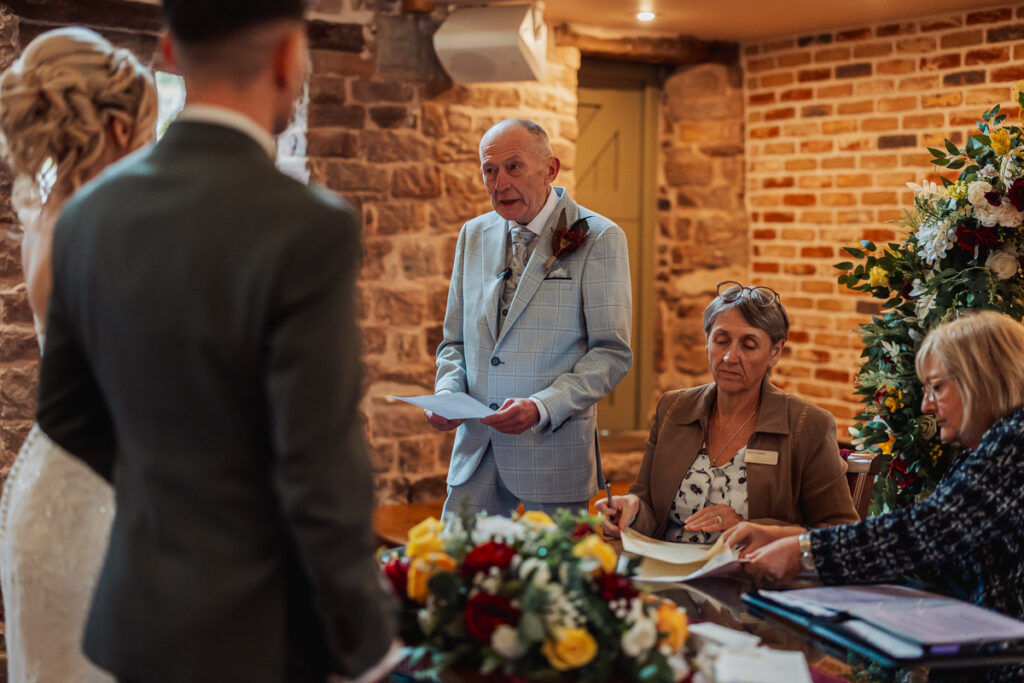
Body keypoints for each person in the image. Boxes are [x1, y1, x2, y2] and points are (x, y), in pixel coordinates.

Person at [34, 2, 395, 682]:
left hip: (135, 620)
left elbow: (63, 412)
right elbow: (318, 465)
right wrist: (369, 641)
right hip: (260, 634)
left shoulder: (86, 216)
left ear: (168, 52)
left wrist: (165, 483)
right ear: (290, 58)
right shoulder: (308, 225)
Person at [0, 27, 157, 683]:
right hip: (93, 499)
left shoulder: (48, 215)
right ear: (118, 130)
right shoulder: (98, 224)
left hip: (54, 481)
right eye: (149, 131)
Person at [731, 311, 1024, 656]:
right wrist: (792, 538)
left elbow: (926, 532)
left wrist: (805, 552)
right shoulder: (992, 445)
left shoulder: (1014, 442)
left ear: (981, 380)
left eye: (937, 387)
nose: (927, 405)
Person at [429, 118, 633, 517]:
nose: (500, 182)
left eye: (514, 166)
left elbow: (611, 353)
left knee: (558, 578)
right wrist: (447, 393)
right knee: (453, 573)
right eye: (490, 170)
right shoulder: (472, 234)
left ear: (550, 169)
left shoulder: (599, 237)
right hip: (475, 454)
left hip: (553, 454)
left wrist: (542, 406)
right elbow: (454, 342)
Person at [597, 282, 858, 542]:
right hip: (667, 570)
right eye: (721, 341)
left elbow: (842, 534)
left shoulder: (807, 425)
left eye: (749, 345)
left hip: (752, 575)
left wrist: (749, 527)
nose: (730, 357)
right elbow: (649, 507)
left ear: (775, 352)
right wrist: (629, 510)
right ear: (707, 342)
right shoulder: (674, 409)